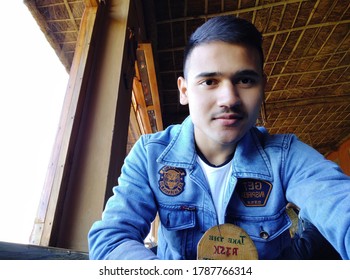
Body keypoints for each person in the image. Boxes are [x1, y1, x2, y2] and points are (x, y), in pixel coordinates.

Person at [88, 15, 350, 260]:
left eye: (245, 80)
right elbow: (111, 240)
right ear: (184, 90)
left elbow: (340, 205)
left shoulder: (286, 155)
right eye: (210, 82)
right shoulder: (150, 155)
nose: (230, 99)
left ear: (262, 87)